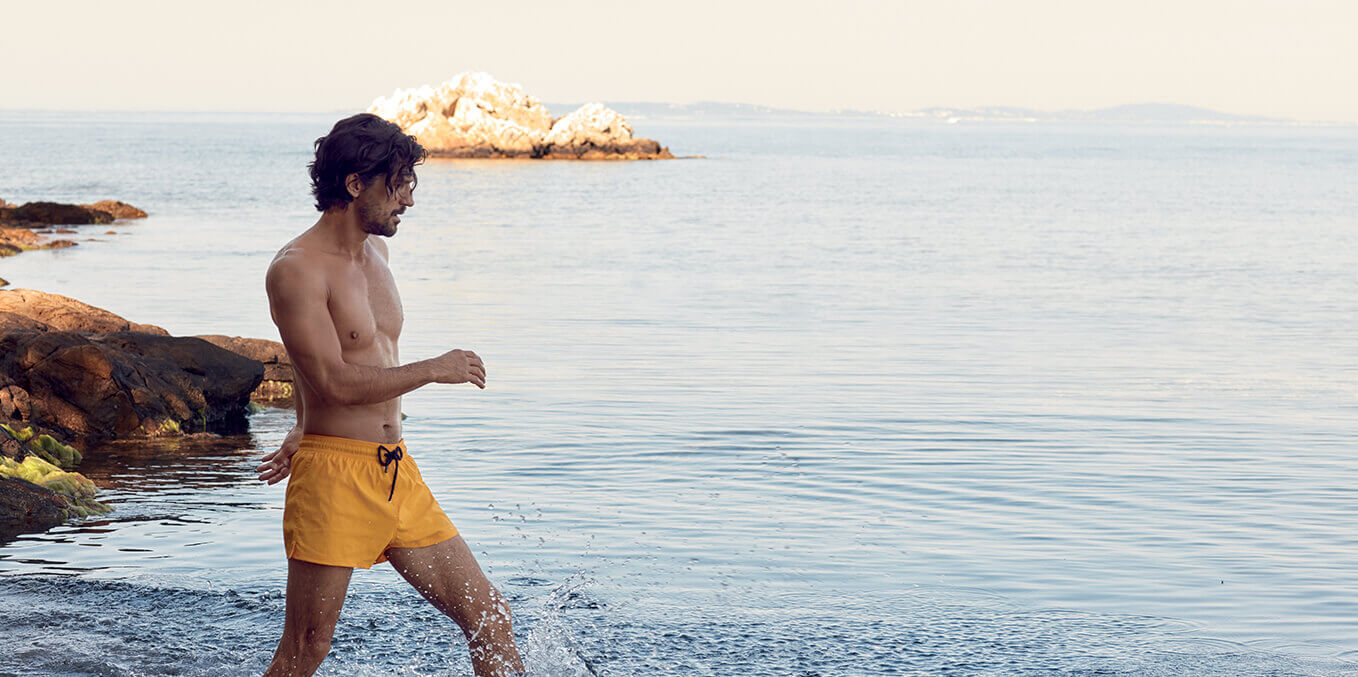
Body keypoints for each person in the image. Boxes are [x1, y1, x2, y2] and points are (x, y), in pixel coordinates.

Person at [255, 113, 524, 677]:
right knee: (305, 650)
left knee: (491, 620)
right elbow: (329, 376)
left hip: (397, 472)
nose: (408, 198)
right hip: (334, 480)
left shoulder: (378, 255)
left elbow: (330, 365)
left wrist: (301, 423)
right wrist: (432, 370)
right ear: (356, 185)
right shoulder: (296, 270)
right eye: (397, 183)